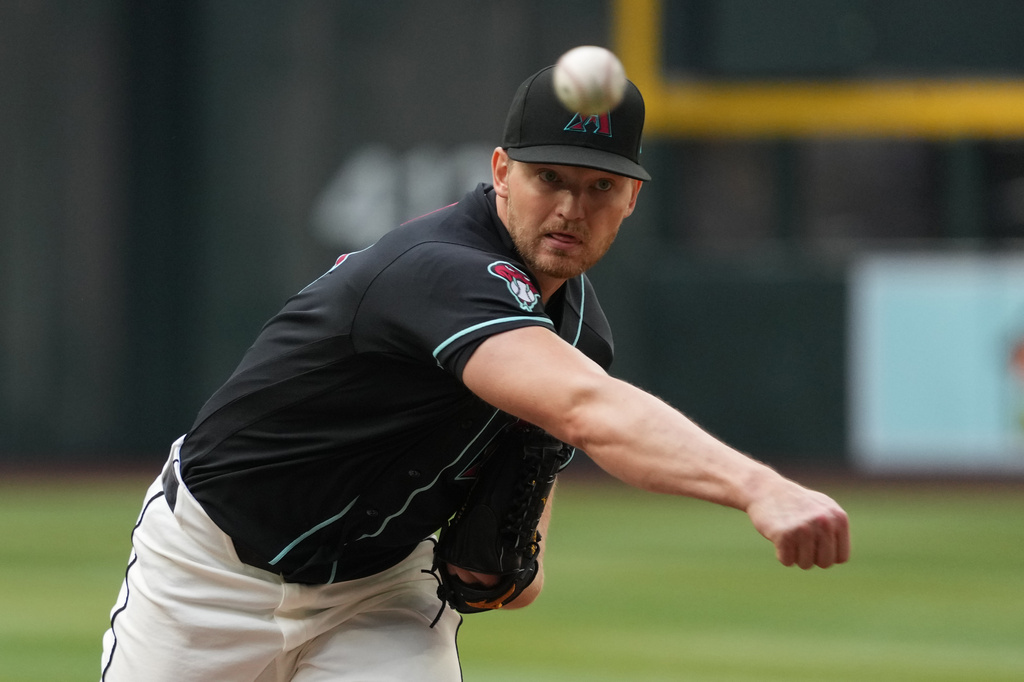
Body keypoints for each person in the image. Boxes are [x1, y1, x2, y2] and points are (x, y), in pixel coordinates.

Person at [101, 64, 850, 682]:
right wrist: (761, 487)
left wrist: (520, 559)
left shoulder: (583, 332)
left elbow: (546, 448)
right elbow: (589, 412)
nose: (570, 207)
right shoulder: (437, 271)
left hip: (378, 592)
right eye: (548, 177)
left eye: (599, 187)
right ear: (500, 171)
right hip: (211, 576)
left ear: (632, 199)